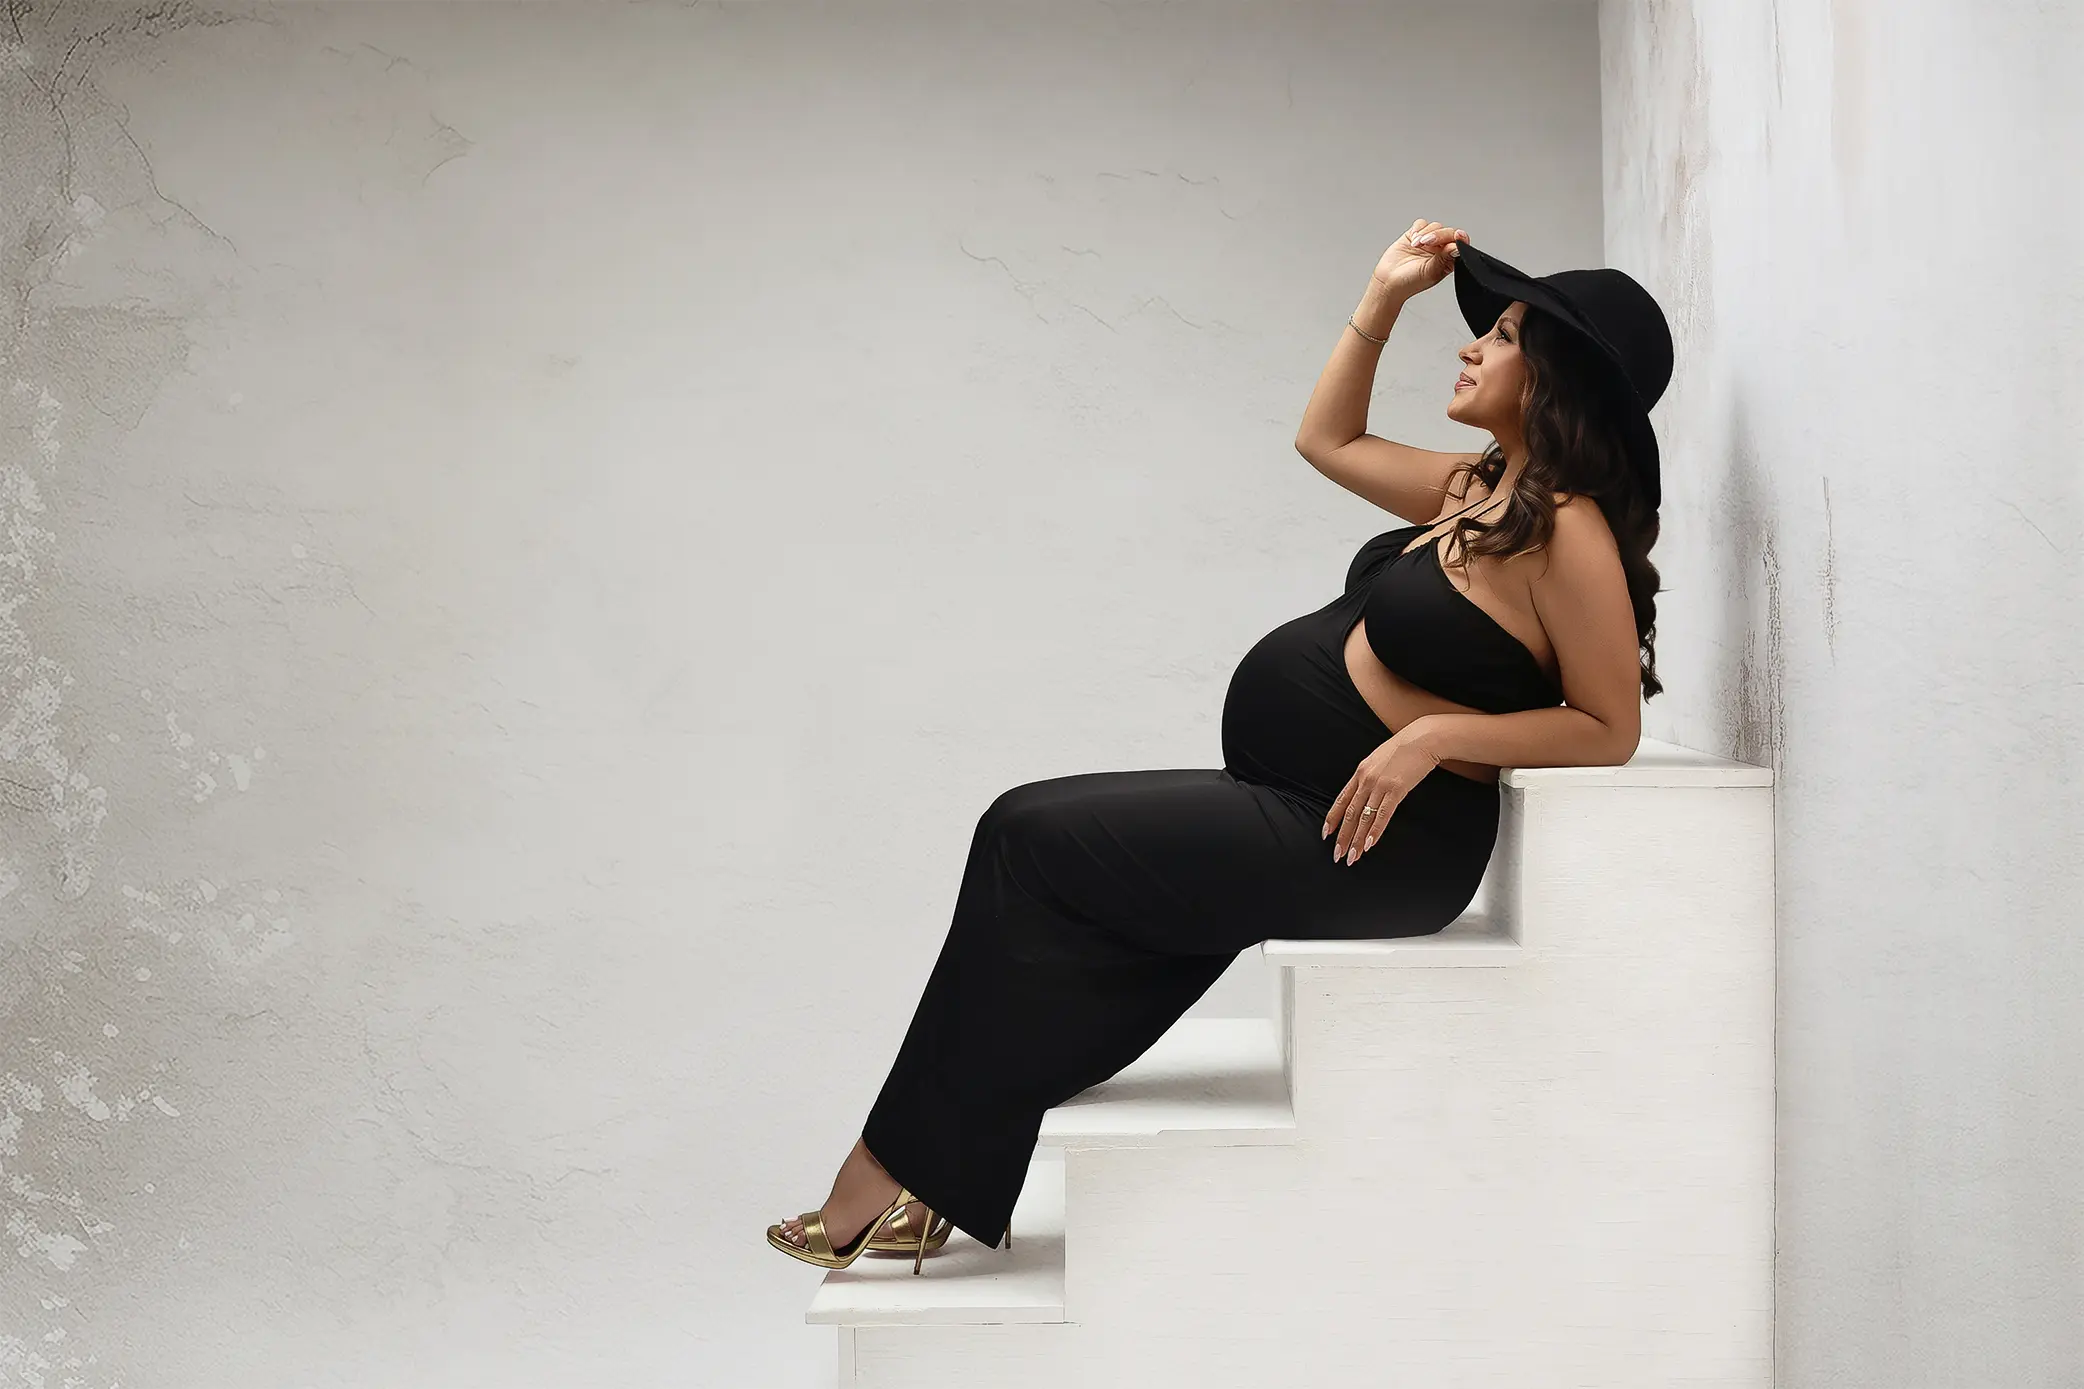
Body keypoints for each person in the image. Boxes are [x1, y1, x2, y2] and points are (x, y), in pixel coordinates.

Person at [767, 218, 1677, 1273]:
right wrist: (1380, 299)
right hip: (1297, 800)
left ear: (1556, 377)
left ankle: (876, 1182)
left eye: (1504, 335)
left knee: (1025, 836)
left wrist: (1431, 736)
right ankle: (931, 1181)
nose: (1471, 345)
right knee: (1073, 911)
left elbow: (1607, 729)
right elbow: (1326, 441)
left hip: (1377, 844)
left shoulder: (1565, 532)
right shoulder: (1477, 492)